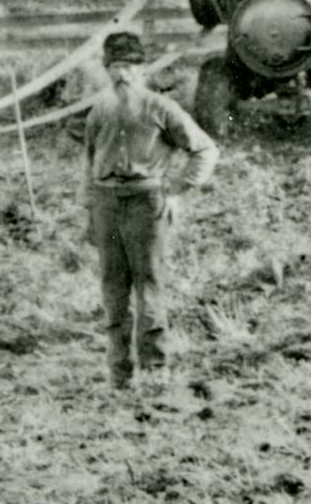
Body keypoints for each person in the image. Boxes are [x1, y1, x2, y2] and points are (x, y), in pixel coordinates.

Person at [83, 31, 217, 386]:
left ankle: (156, 369)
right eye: (114, 67)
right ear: (106, 70)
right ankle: (119, 372)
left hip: (146, 203)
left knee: (149, 285)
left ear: (142, 69)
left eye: (128, 66)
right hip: (107, 203)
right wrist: (89, 213)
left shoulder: (162, 107)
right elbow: (88, 164)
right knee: (113, 288)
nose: (121, 75)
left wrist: (175, 191)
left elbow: (204, 150)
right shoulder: (99, 110)